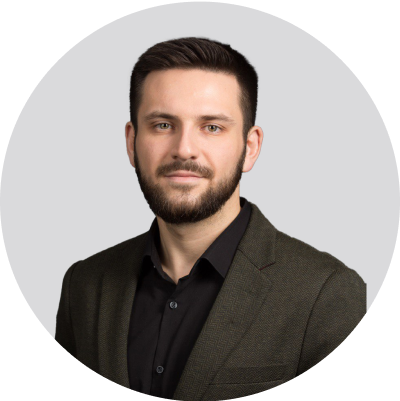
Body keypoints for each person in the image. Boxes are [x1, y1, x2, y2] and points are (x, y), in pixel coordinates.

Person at [55, 37, 366, 400]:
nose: (184, 149)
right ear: (131, 142)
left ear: (250, 148)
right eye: (162, 125)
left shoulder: (326, 295)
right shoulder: (84, 284)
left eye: (212, 127)